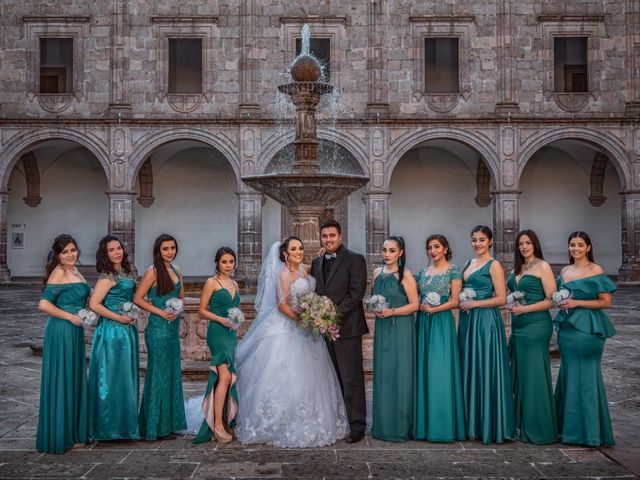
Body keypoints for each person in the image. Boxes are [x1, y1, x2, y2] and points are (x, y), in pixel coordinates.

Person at [235, 238, 349, 448]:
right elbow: (282, 306)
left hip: (310, 329)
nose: (298, 252)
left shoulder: (306, 269)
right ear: (285, 254)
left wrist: (317, 315)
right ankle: (280, 423)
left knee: (314, 375)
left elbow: (318, 264)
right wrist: (305, 320)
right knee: (289, 374)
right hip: (290, 327)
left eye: (301, 248)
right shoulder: (283, 274)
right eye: (294, 249)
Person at [554, 231, 616, 446]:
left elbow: (605, 302)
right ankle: (567, 431)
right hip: (567, 330)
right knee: (568, 375)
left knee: (588, 377)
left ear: (588, 247)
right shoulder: (564, 270)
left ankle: (591, 433)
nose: (576, 249)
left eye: (580, 245)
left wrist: (577, 303)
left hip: (588, 329)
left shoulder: (595, 270)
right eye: (572, 245)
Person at [311, 220, 368, 443]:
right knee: (332, 378)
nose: (328, 239)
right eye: (324, 236)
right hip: (324, 331)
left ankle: (358, 426)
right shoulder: (317, 262)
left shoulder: (355, 259)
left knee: (351, 378)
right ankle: (340, 420)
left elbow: (356, 293)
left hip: (348, 329)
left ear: (340, 236)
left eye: (332, 235)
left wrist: (330, 315)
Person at [458, 225, 515, 444]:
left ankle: (489, 424)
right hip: (467, 321)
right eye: (474, 240)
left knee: (485, 367)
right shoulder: (468, 263)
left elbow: (501, 298)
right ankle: (470, 423)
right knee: (469, 366)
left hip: (485, 322)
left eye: (482, 240)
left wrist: (475, 303)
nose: (477, 244)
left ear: (490, 241)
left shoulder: (494, 265)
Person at [36, 234, 89, 453]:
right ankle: (60, 434)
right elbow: (44, 304)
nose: (70, 255)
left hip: (75, 330)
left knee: (72, 378)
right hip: (61, 330)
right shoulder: (58, 273)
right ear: (57, 255)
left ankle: (72, 431)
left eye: (73, 250)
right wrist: (70, 317)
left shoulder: (75, 271)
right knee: (62, 379)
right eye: (65, 251)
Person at [506, 229, 557, 444]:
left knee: (534, 376)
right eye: (520, 244)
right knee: (521, 376)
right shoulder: (519, 268)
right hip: (518, 327)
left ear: (535, 244)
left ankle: (540, 430)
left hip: (536, 326)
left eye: (528, 243)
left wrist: (525, 310)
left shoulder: (542, 266)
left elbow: (551, 299)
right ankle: (523, 423)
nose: (524, 247)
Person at [134, 234, 187, 440]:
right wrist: (160, 312)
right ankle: (154, 427)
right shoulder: (152, 271)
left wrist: (176, 306)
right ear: (158, 250)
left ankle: (169, 423)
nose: (170, 252)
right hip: (157, 328)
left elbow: (180, 296)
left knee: (172, 374)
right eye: (165, 248)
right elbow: (138, 299)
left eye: (173, 248)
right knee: (158, 375)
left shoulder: (177, 270)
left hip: (172, 328)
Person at [414, 234, 465, 442]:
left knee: (440, 370)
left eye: (436, 246)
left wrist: (434, 309)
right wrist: (420, 305)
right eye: (429, 247)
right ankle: (425, 425)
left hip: (442, 322)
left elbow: (455, 301)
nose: (432, 250)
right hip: (424, 323)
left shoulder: (454, 270)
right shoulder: (423, 272)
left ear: (445, 248)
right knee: (425, 370)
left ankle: (443, 426)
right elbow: (414, 295)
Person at [88, 235, 139, 441]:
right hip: (112, 331)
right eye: (111, 250)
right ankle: (108, 428)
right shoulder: (107, 276)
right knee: (110, 378)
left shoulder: (126, 272)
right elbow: (94, 304)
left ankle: (124, 426)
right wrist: (119, 317)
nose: (117, 252)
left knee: (124, 379)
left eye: (119, 248)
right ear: (105, 254)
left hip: (126, 330)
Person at [370, 236, 419, 442]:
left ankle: (400, 427)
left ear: (400, 253)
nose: (387, 254)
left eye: (391, 251)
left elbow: (415, 304)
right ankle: (382, 426)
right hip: (383, 329)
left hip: (401, 329)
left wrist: (392, 312)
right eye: (384, 250)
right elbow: (373, 299)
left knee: (401, 375)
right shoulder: (376, 273)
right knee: (383, 375)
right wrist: (375, 307)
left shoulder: (405, 275)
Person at [193, 247, 240, 444]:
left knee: (228, 378)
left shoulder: (235, 283)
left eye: (231, 262)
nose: (228, 265)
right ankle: (218, 425)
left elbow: (234, 309)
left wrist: (236, 319)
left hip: (231, 333)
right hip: (218, 332)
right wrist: (222, 320)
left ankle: (225, 420)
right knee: (225, 376)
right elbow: (201, 310)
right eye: (224, 262)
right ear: (217, 263)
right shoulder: (212, 282)